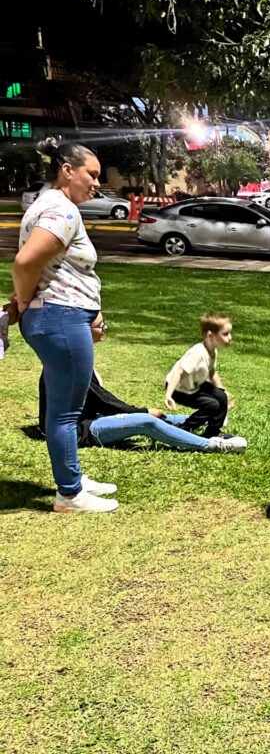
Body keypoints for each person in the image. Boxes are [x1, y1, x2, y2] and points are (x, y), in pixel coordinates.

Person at [12, 138, 114, 512]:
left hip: (60, 316)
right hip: (60, 317)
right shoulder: (62, 210)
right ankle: (69, 493)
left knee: (66, 408)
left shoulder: (48, 204)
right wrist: (25, 300)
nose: (97, 183)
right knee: (66, 412)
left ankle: (73, 478)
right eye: (92, 174)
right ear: (67, 170)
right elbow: (25, 262)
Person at [40, 318, 248, 454]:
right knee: (147, 422)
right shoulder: (70, 361)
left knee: (168, 418)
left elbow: (99, 400)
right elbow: (103, 400)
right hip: (81, 429)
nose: (105, 329)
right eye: (101, 325)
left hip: (93, 417)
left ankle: (209, 425)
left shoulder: (74, 355)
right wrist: (142, 411)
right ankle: (211, 444)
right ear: (84, 330)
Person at [165, 312, 235, 439]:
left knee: (221, 396)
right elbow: (179, 372)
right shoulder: (197, 353)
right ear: (210, 335)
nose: (230, 337)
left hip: (195, 384)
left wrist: (222, 390)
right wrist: (169, 395)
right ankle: (184, 429)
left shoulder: (212, 350)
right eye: (225, 334)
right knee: (212, 405)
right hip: (178, 389)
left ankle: (212, 432)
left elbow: (212, 372)